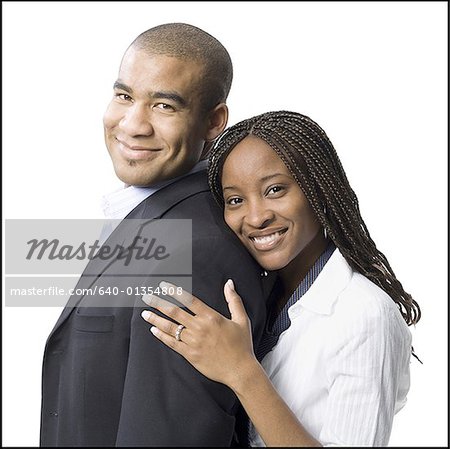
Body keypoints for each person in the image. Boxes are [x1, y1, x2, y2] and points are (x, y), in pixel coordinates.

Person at [40, 24, 272, 447]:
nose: (132, 125)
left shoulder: (194, 254)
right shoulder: (153, 221)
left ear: (213, 121)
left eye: (164, 106)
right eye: (124, 96)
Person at [141, 110, 422, 447]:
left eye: (274, 189)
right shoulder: (260, 295)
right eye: (235, 200)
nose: (256, 217)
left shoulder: (364, 314)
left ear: (317, 188)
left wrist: (241, 370)